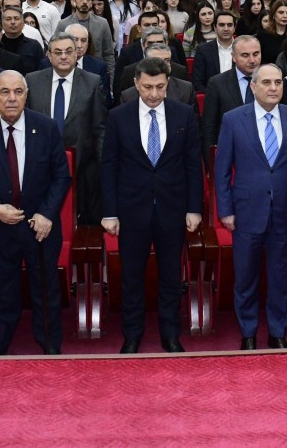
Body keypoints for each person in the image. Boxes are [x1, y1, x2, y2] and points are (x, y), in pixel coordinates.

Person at [0, 69, 71, 355]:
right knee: (1, 290)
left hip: (40, 226)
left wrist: (47, 214)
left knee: (45, 291)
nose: (12, 99)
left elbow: (61, 176)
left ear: (26, 95)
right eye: (5, 92)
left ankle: (50, 346)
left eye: (18, 92)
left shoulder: (46, 126)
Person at [101, 57, 203, 354]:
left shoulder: (183, 115)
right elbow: (109, 166)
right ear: (136, 83)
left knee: (171, 275)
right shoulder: (119, 116)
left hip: (173, 209)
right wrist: (109, 212)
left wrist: (194, 208)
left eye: (160, 87)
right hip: (132, 209)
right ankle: (132, 335)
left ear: (167, 84)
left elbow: (192, 166)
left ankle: (170, 334)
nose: (154, 93)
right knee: (131, 276)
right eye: (147, 87)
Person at [214, 64, 287, 349]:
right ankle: (248, 332)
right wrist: (225, 210)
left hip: (286, 210)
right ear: (253, 87)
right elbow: (222, 170)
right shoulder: (233, 120)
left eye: (278, 83)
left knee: (281, 276)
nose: (273, 88)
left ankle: (277, 332)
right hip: (246, 212)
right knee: (245, 277)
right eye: (267, 83)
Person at [27, 32, 108, 225]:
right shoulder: (32, 80)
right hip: (40, 165)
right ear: (49, 55)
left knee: (77, 223)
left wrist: (103, 166)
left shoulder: (93, 81)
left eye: (68, 51)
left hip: (82, 166)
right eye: (58, 52)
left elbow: (100, 128)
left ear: (76, 54)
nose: (64, 56)